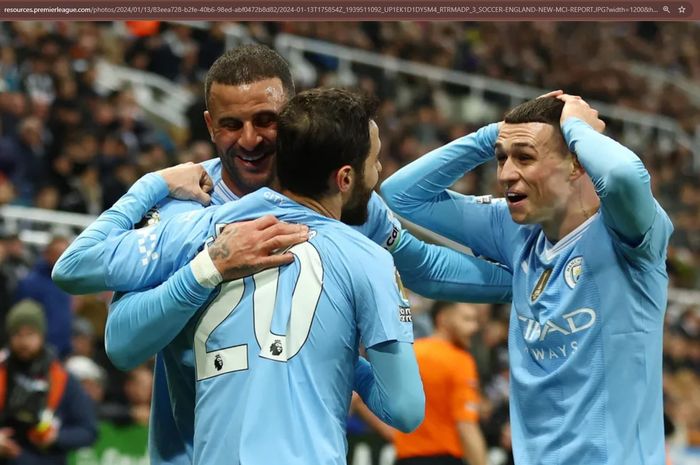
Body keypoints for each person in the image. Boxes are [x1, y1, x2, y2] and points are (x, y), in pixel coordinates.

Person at [53, 45, 512, 465]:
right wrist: (205, 264)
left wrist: (522, 281)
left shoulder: (345, 203)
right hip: (191, 452)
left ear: (290, 115)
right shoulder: (187, 207)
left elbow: (425, 265)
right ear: (210, 124)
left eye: (265, 120)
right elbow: (120, 340)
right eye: (232, 125)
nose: (250, 140)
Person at [111, 87, 424, 464]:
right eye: (374, 161)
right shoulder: (368, 259)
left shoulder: (211, 233)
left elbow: (113, 327)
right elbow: (404, 409)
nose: (378, 172)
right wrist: (344, 357)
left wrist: (152, 186)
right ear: (344, 178)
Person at [382, 92, 674, 465]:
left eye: (524, 157)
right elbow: (402, 195)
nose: (504, 173)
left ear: (575, 163)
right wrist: (495, 134)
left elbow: (621, 175)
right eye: (502, 158)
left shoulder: (627, 233)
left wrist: (575, 127)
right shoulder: (516, 230)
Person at [0, 300, 97, 464]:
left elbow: (88, 431)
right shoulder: (2, 371)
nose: (24, 342)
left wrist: (57, 437)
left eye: (30, 334)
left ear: (42, 335)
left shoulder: (63, 379)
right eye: (17, 334)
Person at [393, 301, 487, 465]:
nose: (474, 328)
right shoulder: (460, 360)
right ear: (443, 319)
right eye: (466, 319)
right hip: (444, 458)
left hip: (404, 458)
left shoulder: (410, 353)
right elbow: (466, 427)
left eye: (475, 320)